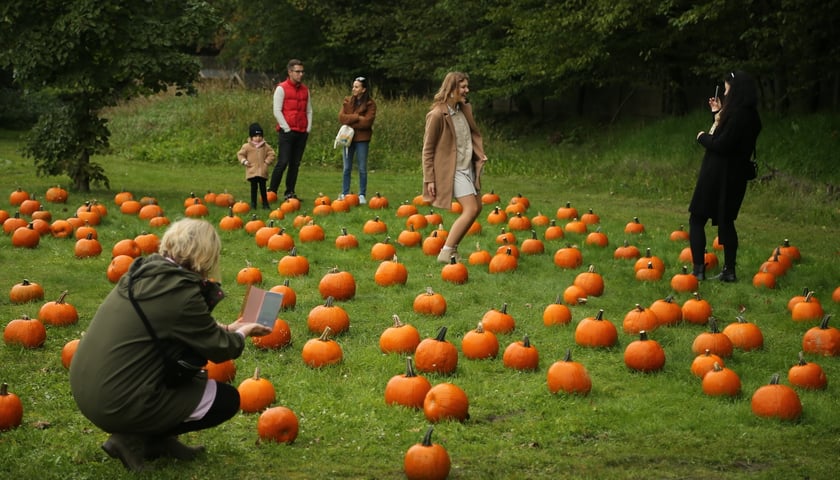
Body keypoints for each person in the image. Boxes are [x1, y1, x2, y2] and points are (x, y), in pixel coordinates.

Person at [69, 218, 271, 472]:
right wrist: (244, 332)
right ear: (206, 256)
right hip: (114, 401)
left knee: (187, 376)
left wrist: (230, 329)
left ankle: (159, 440)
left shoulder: (144, 271)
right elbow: (221, 349)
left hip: (86, 386)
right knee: (226, 400)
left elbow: (176, 327)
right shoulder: (182, 292)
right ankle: (133, 439)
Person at [689, 71, 762, 282]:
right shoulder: (751, 116)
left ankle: (698, 270)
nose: (725, 90)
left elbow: (722, 144)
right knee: (727, 220)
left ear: (736, 88)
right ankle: (729, 270)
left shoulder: (737, 115)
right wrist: (718, 112)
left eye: (727, 86)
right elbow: (732, 137)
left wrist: (702, 137)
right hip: (736, 177)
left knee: (697, 218)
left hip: (716, 174)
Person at [422, 71, 488, 263]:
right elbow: (427, 150)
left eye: (467, 86)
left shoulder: (462, 110)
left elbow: (468, 137)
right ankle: (446, 252)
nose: (467, 90)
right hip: (453, 171)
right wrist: (430, 179)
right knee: (470, 209)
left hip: (468, 167)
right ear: (451, 89)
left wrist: (478, 155)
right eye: (463, 87)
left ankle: (452, 250)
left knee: (477, 208)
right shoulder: (436, 114)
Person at [269, 59, 312, 200]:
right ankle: (272, 191)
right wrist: (286, 128)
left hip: (301, 131)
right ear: (290, 72)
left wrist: (308, 128)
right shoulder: (281, 88)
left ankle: (290, 192)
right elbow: (277, 110)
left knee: (295, 163)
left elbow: (309, 110)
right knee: (283, 161)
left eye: (302, 71)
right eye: (297, 71)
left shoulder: (305, 90)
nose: (300, 74)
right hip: (287, 131)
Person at [338, 76, 377, 204]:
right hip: (347, 138)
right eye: (353, 86)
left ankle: (361, 194)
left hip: (362, 139)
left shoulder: (370, 104)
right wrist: (357, 117)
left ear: (363, 89)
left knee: (362, 167)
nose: (353, 89)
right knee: (347, 167)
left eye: (356, 87)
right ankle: (345, 192)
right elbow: (342, 118)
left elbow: (367, 123)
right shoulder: (347, 101)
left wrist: (352, 120)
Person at [237, 122, 276, 209]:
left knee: (263, 188)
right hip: (252, 171)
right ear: (251, 137)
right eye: (255, 136)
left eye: (259, 136)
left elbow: (272, 154)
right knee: (253, 188)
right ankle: (253, 203)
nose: (257, 138)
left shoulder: (265, 146)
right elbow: (240, 154)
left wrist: (266, 162)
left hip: (262, 171)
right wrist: (245, 161)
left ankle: (265, 203)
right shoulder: (247, 146)